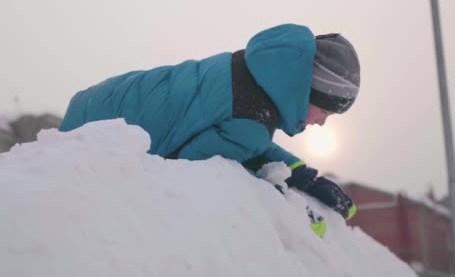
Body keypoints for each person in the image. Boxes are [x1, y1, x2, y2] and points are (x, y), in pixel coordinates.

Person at [60, 23, 360, 220]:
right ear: (306, 89)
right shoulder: (251, 121)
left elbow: (238, 135)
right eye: (326, 112)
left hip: (95, 102)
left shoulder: (248, 71)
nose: (322, 123)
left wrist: (299, 173)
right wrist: (286, 207)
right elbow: (198, 165)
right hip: (93, 140)